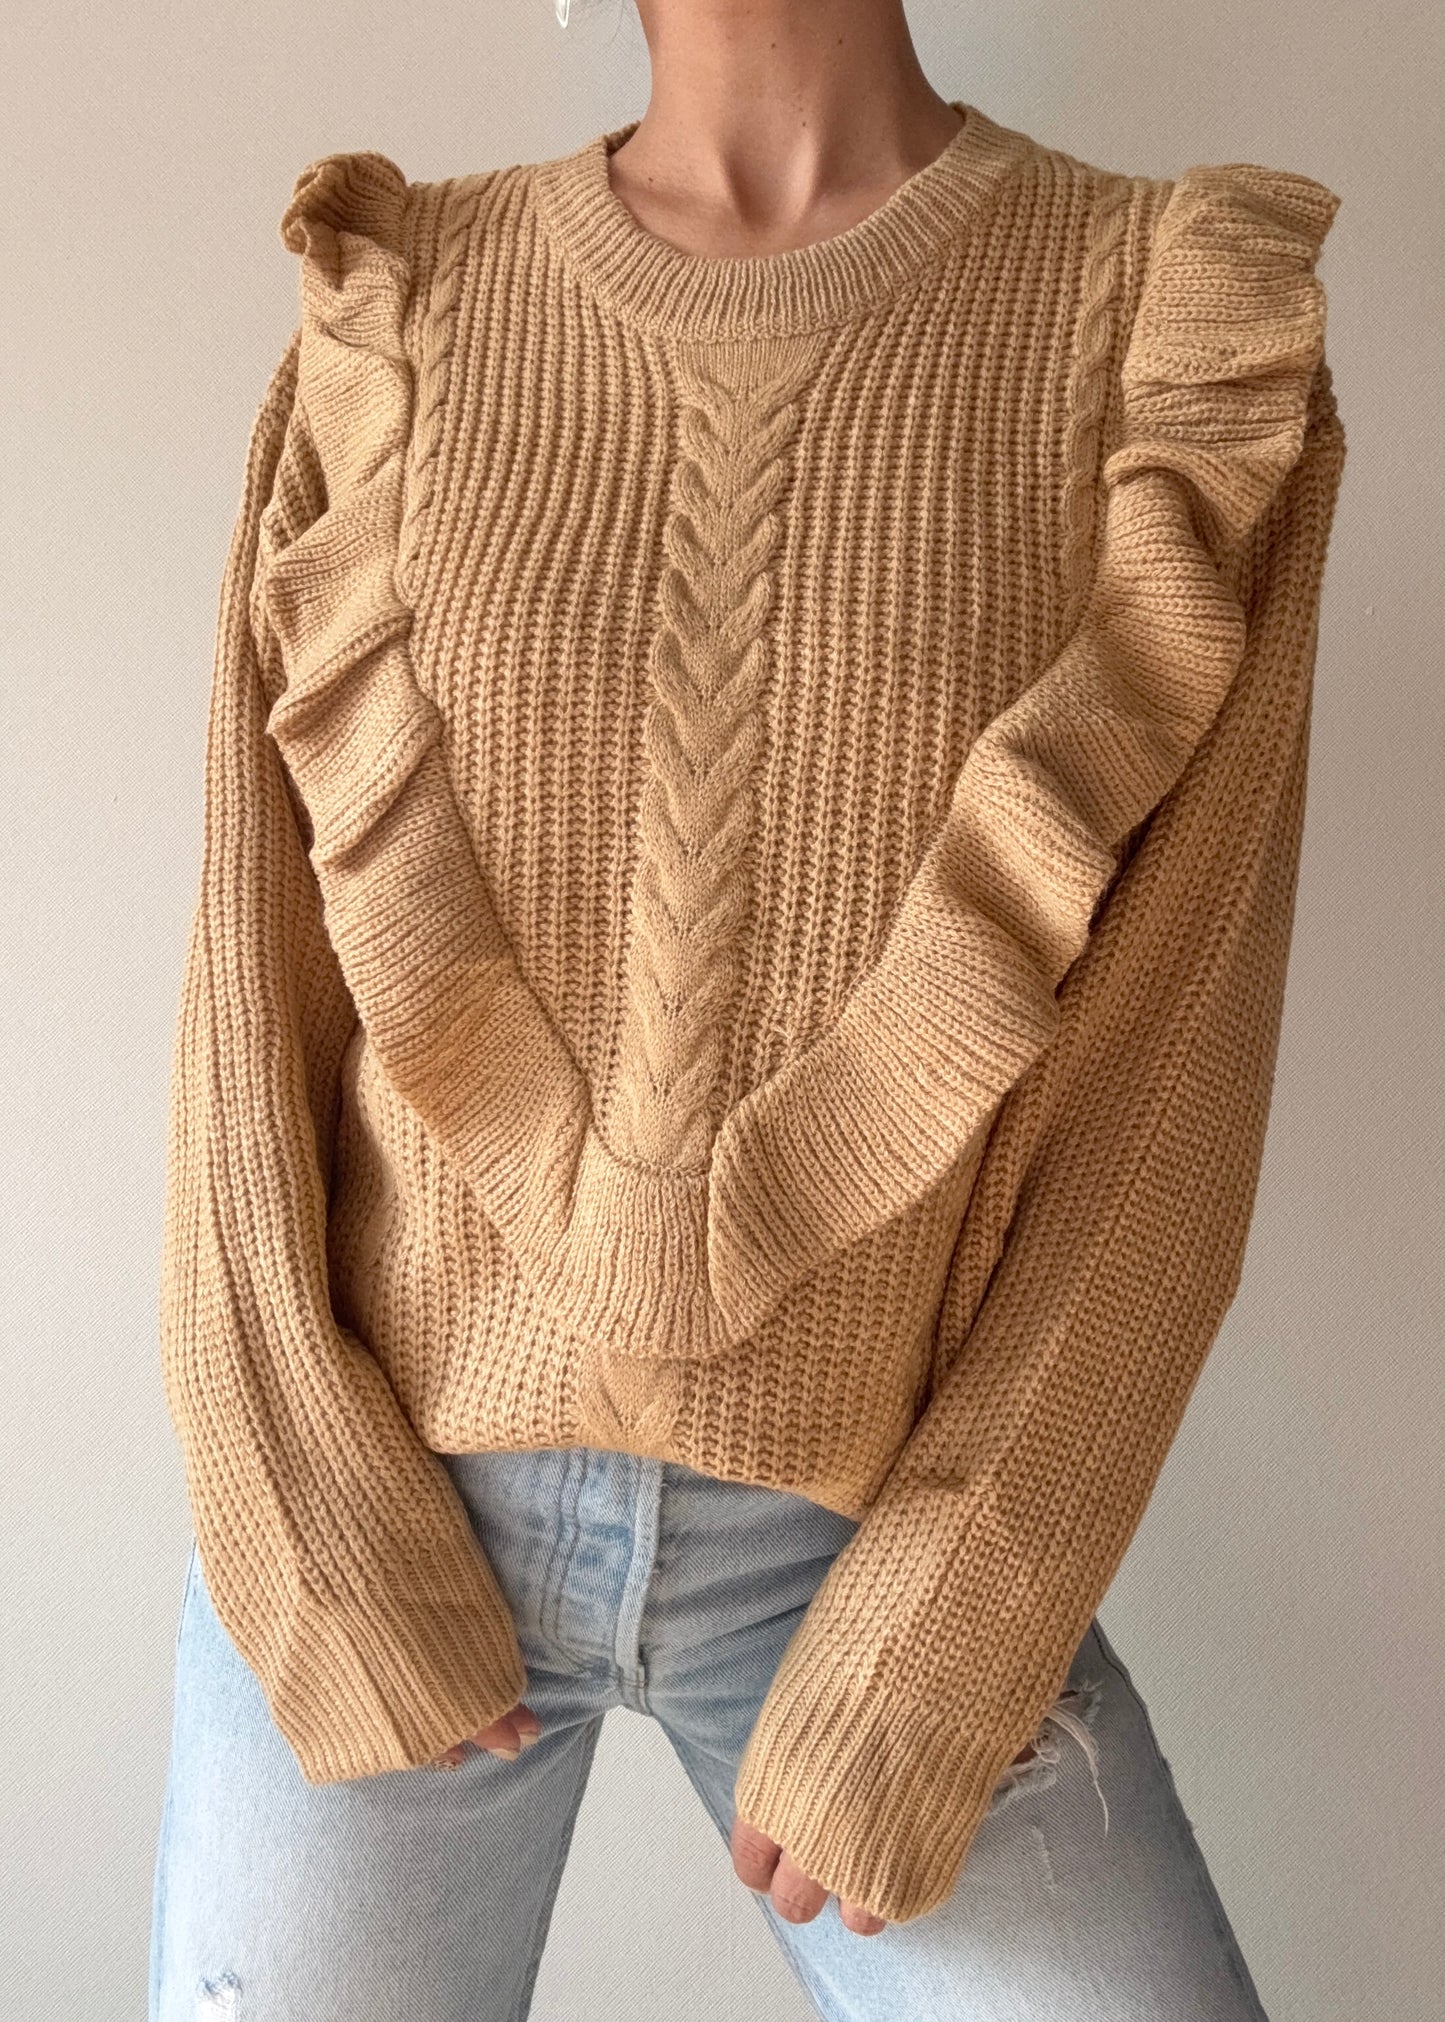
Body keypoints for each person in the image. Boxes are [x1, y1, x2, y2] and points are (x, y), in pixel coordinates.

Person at [147, 2, 1346, 2015]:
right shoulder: (404, 304)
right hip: (387, 1504)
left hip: (871, 1539)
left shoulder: (1168, 325)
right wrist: (307, 1519)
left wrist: (949, 1633)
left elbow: (1174, 1077)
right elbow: (244, 999)